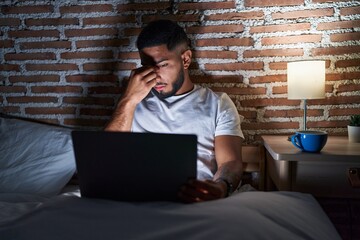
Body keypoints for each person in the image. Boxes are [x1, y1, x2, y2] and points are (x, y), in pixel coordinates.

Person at [105, 19, 244, 203]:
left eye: (162, 65)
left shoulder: (217, 103)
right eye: (147, 65)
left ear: (185, 59)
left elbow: (230, 162)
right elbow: (106, 157)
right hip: (140, 199)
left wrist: (221, 186)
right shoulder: (132, 101)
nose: (155, 75)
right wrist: (128, 100)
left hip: (193, 199)